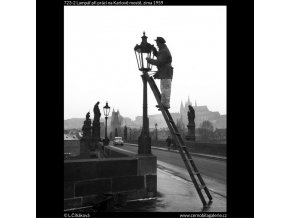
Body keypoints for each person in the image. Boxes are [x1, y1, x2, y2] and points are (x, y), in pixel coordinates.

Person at [146, 37, 174, 110]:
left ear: (160, 43)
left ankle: (166, 104)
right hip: (164, 73)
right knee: (163, 89)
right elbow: (160, 57)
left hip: (166, 73)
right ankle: (164, 104)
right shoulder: (163, 50)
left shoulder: (164, 51)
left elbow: (159, 62)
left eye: (157, 43)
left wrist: (150, 61)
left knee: (165, 89)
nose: (157, 44)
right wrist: (155, 51)